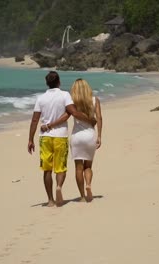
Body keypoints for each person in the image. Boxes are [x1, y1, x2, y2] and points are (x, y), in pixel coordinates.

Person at [28, 71, 95, 207]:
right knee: (60, 168)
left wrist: (30, 139)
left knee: (47, 169)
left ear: (47, 83)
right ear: (59, 82)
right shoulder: (65, 95)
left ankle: (50, 200)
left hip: (45, 137)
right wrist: (90, 120)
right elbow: (72, 112)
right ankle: (59, 186)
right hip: (60, 137)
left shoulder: (40, 98)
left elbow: (35, 120)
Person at [41, 78, 102, 202]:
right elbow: (99, 118)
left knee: (78, 168)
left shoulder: (72, 102)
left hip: (76, 137)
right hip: (90, 136)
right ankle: (88, 185)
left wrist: (50, 125)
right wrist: (99, 136)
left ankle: (82, 196)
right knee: (88, 166)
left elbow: (65, 116)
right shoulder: (95, 100)